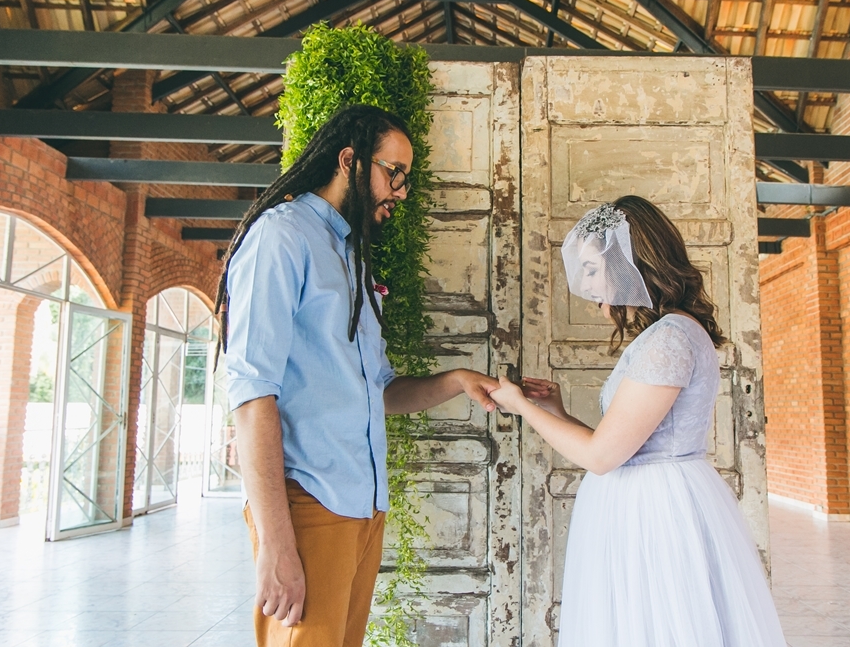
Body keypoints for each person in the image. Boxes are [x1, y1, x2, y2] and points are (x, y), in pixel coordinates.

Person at [217, 104, 500, 647]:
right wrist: (276, 544)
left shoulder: (349, 253)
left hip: (361, 508)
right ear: (349, 160)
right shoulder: (282, 238)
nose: (401, 191)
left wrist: (458, 380)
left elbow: (378, 389)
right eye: (393, 173)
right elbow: (252, 395)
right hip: (308, 506)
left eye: (406, 179)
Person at [489, 196, 789, 646]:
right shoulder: (669, 332)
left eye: (592, 269)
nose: (587, 286)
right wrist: (558, 413)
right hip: (650, 494)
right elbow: (627, 447)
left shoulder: (667, 339)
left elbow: (602, 456)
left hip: (656, 511)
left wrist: (520, 406)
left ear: (632, 262)